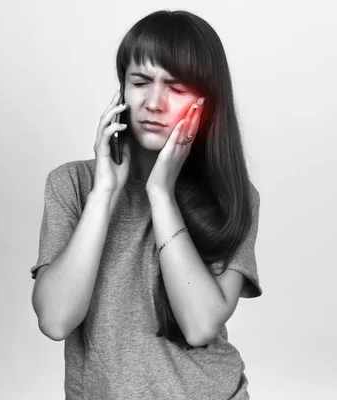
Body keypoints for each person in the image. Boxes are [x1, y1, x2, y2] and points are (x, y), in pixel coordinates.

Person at [30, 9, 262, 400]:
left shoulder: (234, 195)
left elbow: (200, 325)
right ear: (121, 89)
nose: (154, 102)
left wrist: (160, 193)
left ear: (205, 103)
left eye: (176, 87)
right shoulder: (72, 184)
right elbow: (55, 320)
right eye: (140, 81)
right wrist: (104, 194)